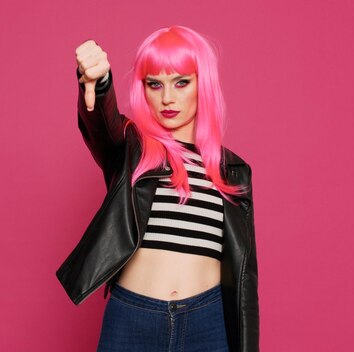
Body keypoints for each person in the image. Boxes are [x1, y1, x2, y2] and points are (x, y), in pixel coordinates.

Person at [56, 25, 259, 351]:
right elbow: (103, 126)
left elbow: (245, 277)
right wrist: (100, 83)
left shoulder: (232, 172)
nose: (167, 97)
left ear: (202, 84)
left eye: (181, 82)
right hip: (133, 317)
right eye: (155, 84)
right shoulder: (131, 150)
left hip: (207, 324)